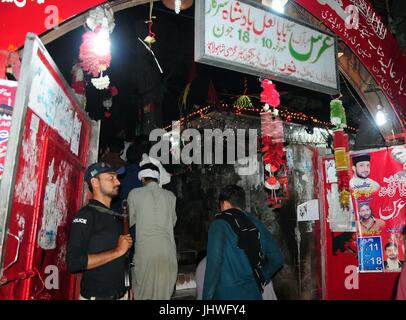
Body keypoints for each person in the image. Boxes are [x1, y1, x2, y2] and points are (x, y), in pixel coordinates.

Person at [203, 185, 284, 300]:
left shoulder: (219, 224)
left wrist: (206, 297)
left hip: (225, 295)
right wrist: (261, 279)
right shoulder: (257, 225)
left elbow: (213, 266)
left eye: (220, 206)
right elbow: (277, 259)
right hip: (253, 294)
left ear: (225, 204)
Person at [66, 162, 133, 300]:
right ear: (95, 182)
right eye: (111, 178)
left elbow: (122, 260)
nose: (118, 182)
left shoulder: (115, 216)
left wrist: (127, 287)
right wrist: (117, 251)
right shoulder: (86, 215)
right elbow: (74, 263)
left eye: (117, 177)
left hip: (121, 294)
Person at [127, 162, 177, 300]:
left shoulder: (135, 194)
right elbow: (172, 222)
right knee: (163, 293)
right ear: (157, 178)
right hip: (167, 250)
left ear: (142, 179)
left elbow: (128, 221)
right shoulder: (170, 196)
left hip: (145, 251)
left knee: (143, 293)